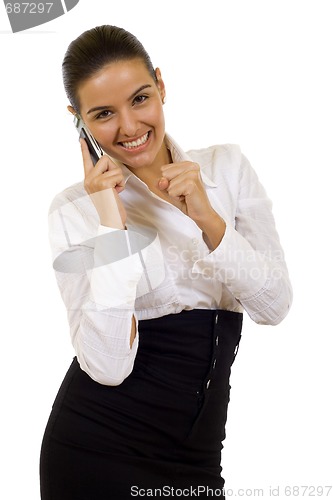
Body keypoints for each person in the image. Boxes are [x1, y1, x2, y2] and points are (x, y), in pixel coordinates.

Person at [40, 24, 292, 499]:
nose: (130, 128)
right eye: (103, 114)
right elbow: (109, 366)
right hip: (97, 451)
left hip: (197, 457)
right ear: (78, 121)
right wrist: (111, 222)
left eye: (139, 98)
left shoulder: (226, 169)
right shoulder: (73, 211)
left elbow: (274, 306)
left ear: (160, 83)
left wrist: (208, 217)